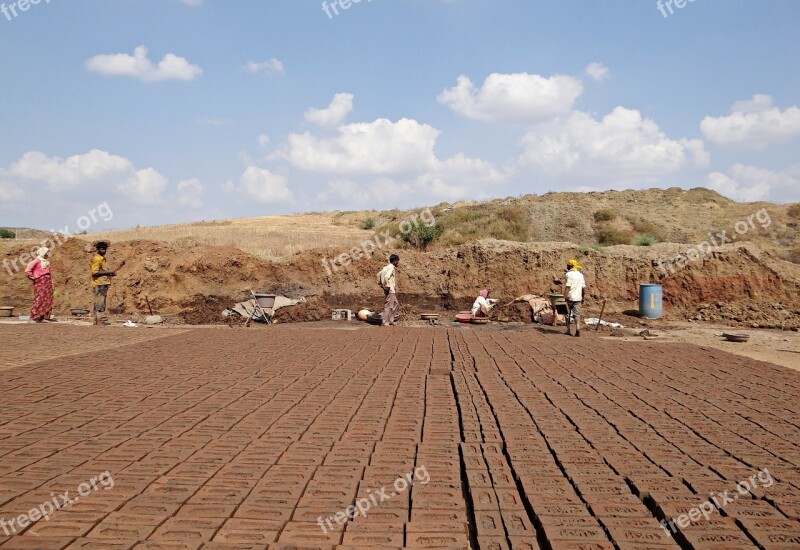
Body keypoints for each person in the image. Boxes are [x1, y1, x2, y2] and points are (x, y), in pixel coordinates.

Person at [91, 241, 123, 326]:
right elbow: (94, 273)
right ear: (97, 249)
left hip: (103, 283)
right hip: (99, 283)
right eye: (102, 249)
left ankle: (96, 320)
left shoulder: (102, 259)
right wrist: (108, 273)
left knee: (99, 302)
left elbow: (102, 271)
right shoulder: (97, 259)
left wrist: (110, 273)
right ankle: (100, 320)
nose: (104, 251)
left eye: (105, 249)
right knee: (100, 303)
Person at [25, 247, 55, 323]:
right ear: (42, 253)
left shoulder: (47, 262)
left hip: (47, 283)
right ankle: (34, 317)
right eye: (46, 253)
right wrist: (34, 278)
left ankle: (43, 317)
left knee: (47, 299)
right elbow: (27, 270)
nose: (47, 255)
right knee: (39, 299)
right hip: (40, 282)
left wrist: (52, 283)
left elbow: (50, 274)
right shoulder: (36, 261)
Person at [563, 258, 586, 337]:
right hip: (578, 298)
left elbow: (568, 286)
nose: (567, 267)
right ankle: (578, 329)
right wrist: (582, 298)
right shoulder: (580, 275)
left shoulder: (568, 274)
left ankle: (568, 330)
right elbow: (583, 288)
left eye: (568, 265)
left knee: (567, 313)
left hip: (570, 297)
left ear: (571, 266)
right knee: (577, 314)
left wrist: (565, 297)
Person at [377, 254, 400, 327]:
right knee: (388, 306)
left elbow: (378, 275)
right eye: (397, 261)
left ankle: (390, 320)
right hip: (390, 290)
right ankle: (385, 322)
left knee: (396, 303)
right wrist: (387, 286)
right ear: (395, 261)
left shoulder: (385, 267)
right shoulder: (391, 268)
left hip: (388, 289)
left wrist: (380, 284)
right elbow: (387, 276)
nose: (398, 263)